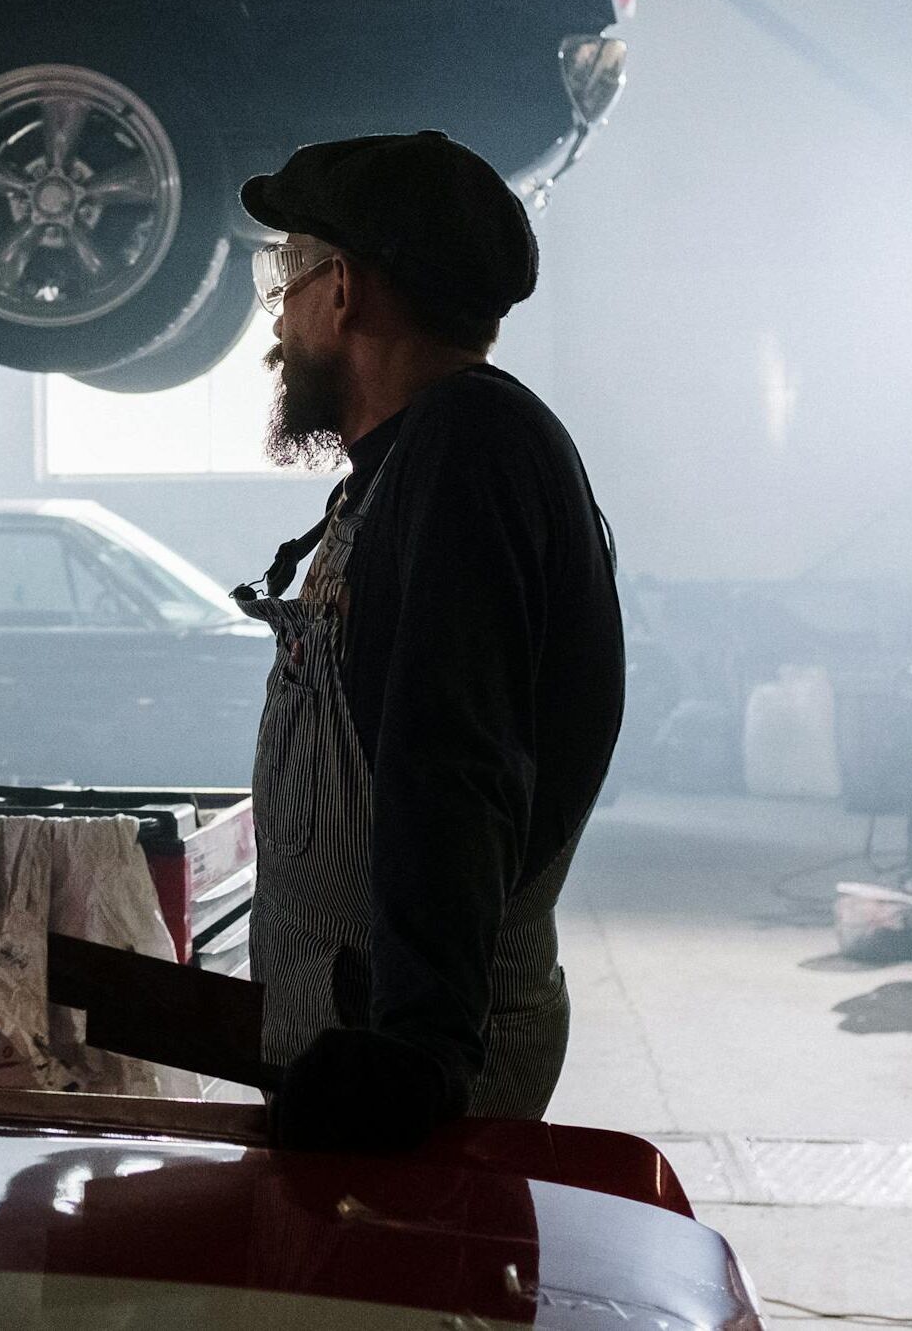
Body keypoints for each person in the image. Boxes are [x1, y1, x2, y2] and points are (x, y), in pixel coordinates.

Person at [235, 132, 624, 1151]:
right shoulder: (413, 462)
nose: (277, 315)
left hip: (410, 1081)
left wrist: (415, 1056)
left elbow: (454, 761)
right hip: (359, 1045)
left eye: (288, 274)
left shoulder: (468, 452)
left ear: (346, 290)